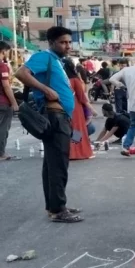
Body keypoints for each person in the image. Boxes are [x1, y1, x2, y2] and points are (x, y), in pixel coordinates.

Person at [15, 26, 83, 223]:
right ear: (51, 42)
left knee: (52, 163)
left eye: (69, 42)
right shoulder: (44, 57)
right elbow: (21, 73)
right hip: (54, 116)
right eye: (63, 42)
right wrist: (45, 89)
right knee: (58, 164)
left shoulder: (57, 61)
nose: (67, 45)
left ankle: (55, 205)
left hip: (60, 116)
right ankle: (58, 209)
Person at [63, 59, 95, 160]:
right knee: (77, 129)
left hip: (63, 107)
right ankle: (76, 151)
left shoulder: (61, 80)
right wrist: (92, 110)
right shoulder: (75, 80)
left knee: (67, 129)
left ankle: (68, 151)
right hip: (76, 108)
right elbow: (82, 97)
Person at [0, 41, 19, 161]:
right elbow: (6, 86)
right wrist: (14, 103)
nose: (8, 54)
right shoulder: (2, 66)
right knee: (3, 128)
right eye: (8, 51)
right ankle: (1, 154)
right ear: (3, 51)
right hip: (3, 102)